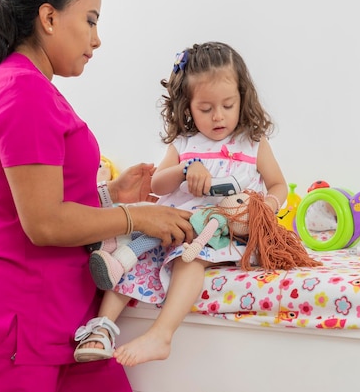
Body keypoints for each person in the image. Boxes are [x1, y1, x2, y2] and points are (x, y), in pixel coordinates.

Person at [0, 0, 194, 391]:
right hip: (16, 323)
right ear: (49, 18)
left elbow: (33, 198)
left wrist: (109, 196)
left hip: (62, 321)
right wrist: (137, 216)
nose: (97, 39)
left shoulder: (24, 85)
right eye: (90, 21)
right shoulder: (21, 90)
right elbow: (44, 223)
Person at [74, 41, 320, 367]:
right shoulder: (185, 144)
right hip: (176, 226)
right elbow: (158, 183)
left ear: (242, 99)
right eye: (205, 109)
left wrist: (263, 207)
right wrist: (185, 169)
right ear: (188, 107)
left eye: (228, 105)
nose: (218, 116)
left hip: (223, 232)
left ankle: (162, 334)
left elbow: (277, 184)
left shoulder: (253, 144)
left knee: (190, 259)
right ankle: (102, 328)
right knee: (135, 255)